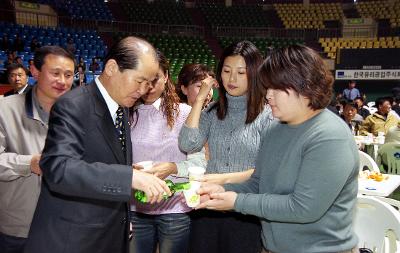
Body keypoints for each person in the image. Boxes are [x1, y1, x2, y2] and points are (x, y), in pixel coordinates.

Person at [197, 45, 359, 253]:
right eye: (267, 88)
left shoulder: (329, 136)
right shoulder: (275, 129)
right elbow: (259, 183)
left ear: (304, 87)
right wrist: (222, 191)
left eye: (276, 89)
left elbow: (303, 208)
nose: (268, 96)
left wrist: (236, 201)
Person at [24, 36, 171, 253]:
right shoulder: (73, 105)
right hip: (73, 240)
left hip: (107, 235)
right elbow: (58, 168)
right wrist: (129, 177)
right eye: (139, 81)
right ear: (112, 68)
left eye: (149, 83)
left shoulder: (121, 107)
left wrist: (132, 173)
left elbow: (99, 159)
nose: (144, 90)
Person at [179, 41, 273, 253]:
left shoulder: (267, 116)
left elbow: (267, 172)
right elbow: (187, 143)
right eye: (227, 71)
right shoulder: (212, 112)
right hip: (208, 208)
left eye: (241, 72)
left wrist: (224, 180)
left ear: (253, 74)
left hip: (244, 211)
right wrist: (201, 98)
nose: (232, 79)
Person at [129, 50, 206, 253]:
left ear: (166, 77)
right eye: (143, 79)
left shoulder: (185, 114)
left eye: (155, 78)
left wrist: (172, 167)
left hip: (175, 211)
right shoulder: (127, 115)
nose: (150, 85)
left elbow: (200, 164)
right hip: (136, 210)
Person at [0, 46, 75, 253]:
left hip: (64, 225)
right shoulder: (4, 110)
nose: (62, 81)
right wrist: (30, 163)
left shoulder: (78, 116)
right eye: (55, 73)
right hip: (19, 228)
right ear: (35, 71)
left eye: (68, 75)